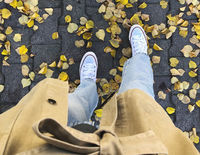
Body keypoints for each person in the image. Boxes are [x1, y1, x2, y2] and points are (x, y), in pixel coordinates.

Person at [0, 25, 199, 155]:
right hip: (139, 148)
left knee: (68, 106)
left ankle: (88, 87)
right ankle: (139, 58)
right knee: (138, 94)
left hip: (39, 144)